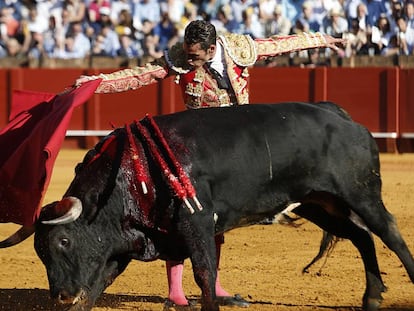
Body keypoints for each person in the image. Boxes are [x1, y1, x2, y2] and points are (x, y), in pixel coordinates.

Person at [75, 19, 345, 306]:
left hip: (233, 150)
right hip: (195, 149)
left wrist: (321, 39)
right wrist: (96, 84)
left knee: (218, 219)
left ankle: (212, 284)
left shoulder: (239, 50)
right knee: (182, 214)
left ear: (212, 48)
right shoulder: (180, 58)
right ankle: (175, 292)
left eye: (194, 56)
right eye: (187, 55)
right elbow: (142, 75)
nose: (188, 61)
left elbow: (280, 45)